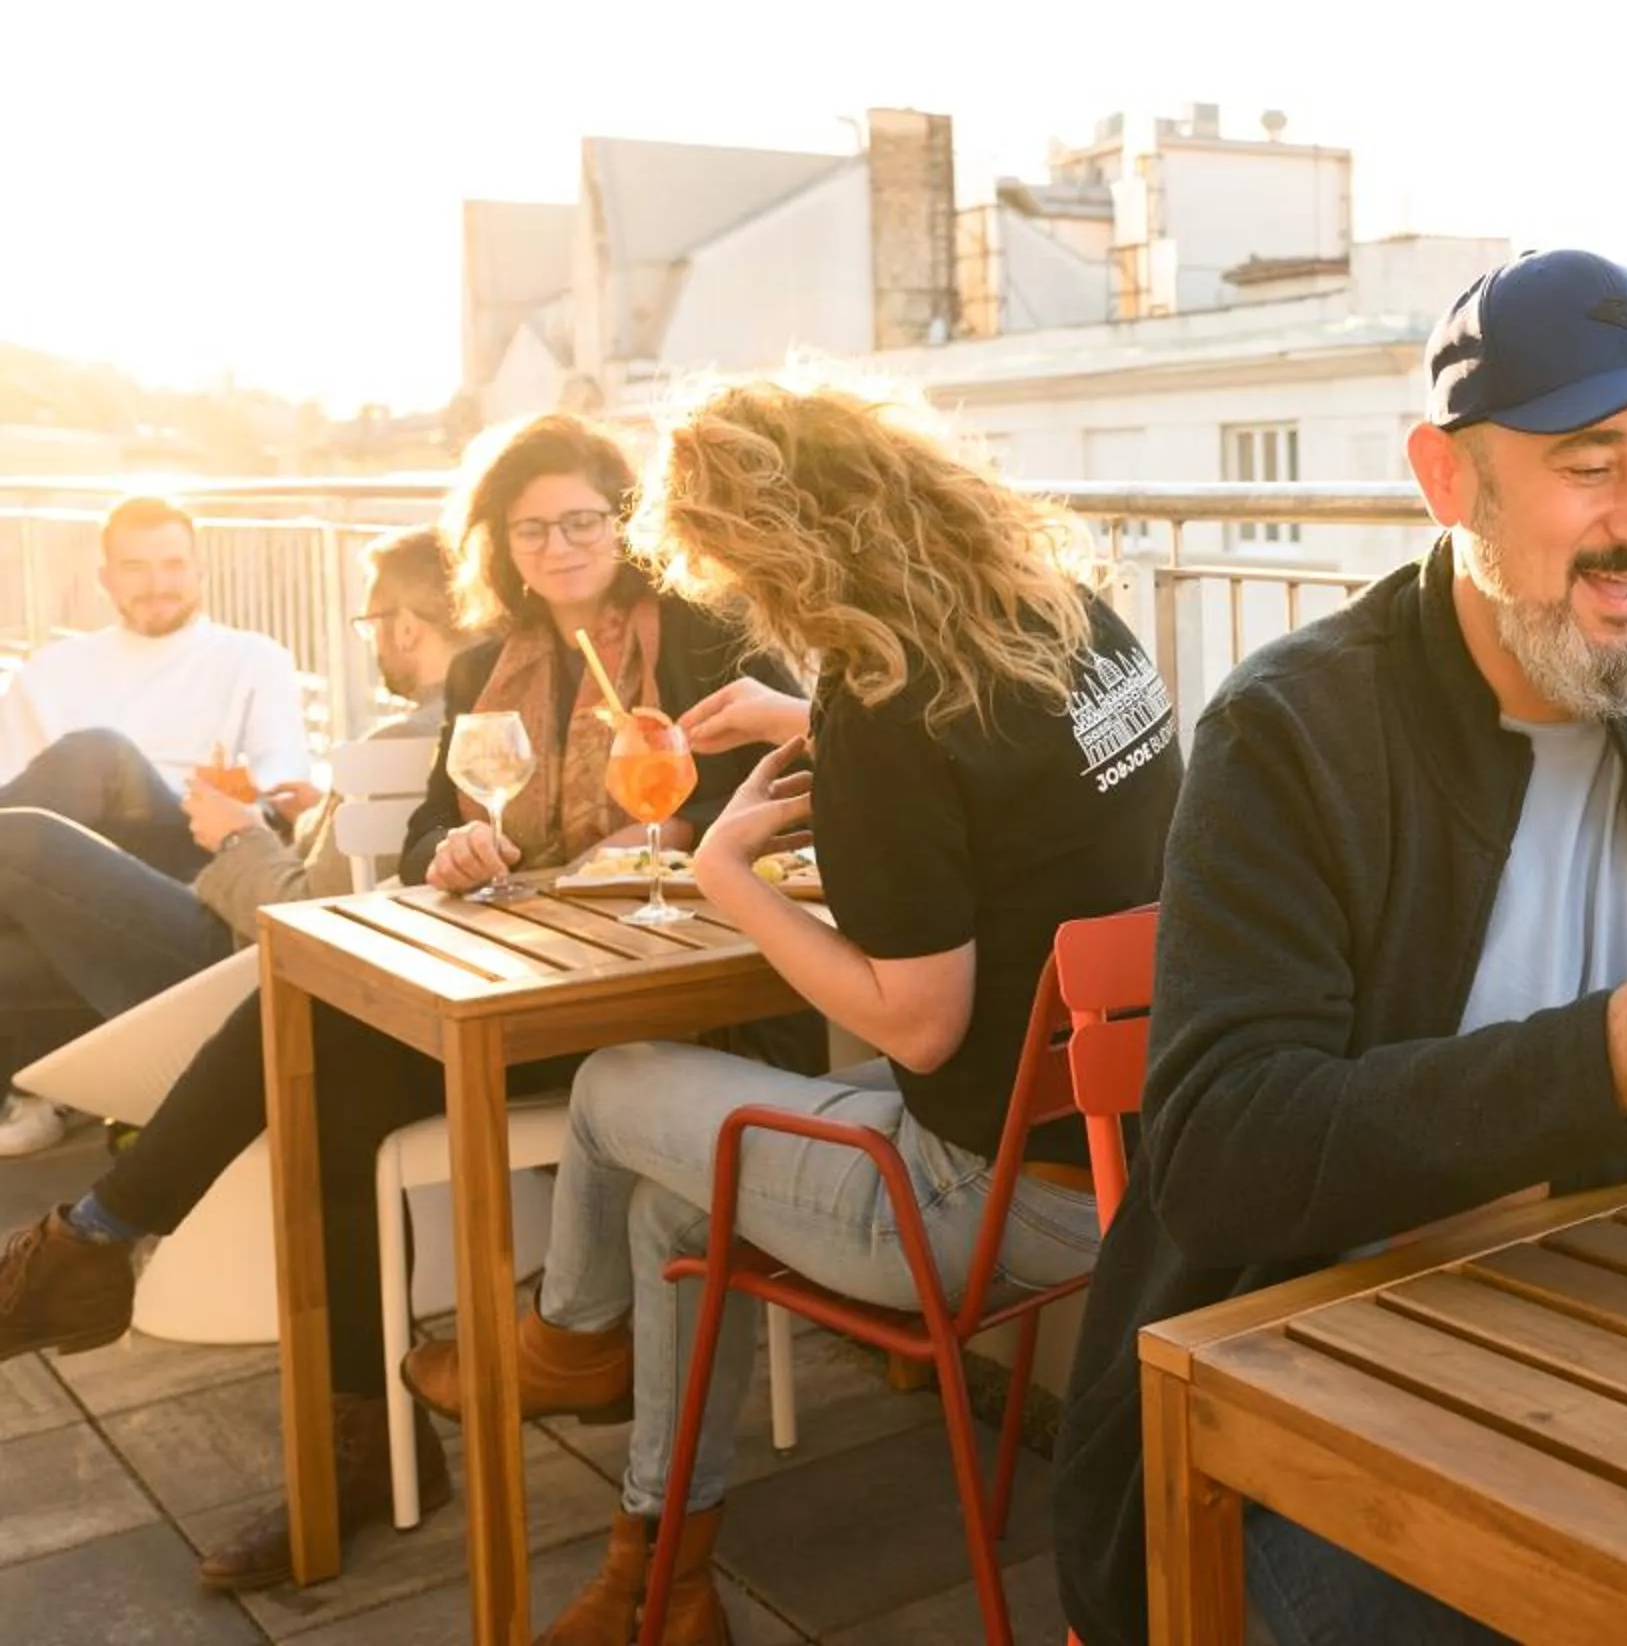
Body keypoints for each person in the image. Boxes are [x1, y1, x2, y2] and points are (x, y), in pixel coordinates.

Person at [1053, 250, 1627, 1646]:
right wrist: (1608, 1063)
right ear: (1447, 480)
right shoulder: (1294, 732)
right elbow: (1222, 1152)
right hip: (1314, 1388)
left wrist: (1592, 1147)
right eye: (1590, 466)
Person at [398, 380, 1181, 1646]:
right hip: (1135, 1148)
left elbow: (917, 1025)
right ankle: (662, 1580)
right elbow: (995, 765)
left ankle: (564, 1345)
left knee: (612, 1082)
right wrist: (812, 721)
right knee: (670, 1198)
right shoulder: (1069, 623)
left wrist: (726, 882)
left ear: (785, 550)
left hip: (987, 1196)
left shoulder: (888, 706)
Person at [0, 412, 822, 1595]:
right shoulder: (491, 663)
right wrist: (454, 847)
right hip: (538, 980)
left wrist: (689, 828)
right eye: (530, 527)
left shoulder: (704, 633)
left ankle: (92, 1242)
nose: (558, 544)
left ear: (623, 520)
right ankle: (357, 1453)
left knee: (302, 1029)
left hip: (683, 993)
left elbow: (794, 787)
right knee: (311, 1057)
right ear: (501, 542)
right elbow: (444, 816)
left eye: (582, 518)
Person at [0, 526, 471, 1157]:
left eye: (372, 623)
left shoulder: (396, 746)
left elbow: (314, 923)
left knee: (21, 843)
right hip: (246, 919)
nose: (373, 641)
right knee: (101, 756)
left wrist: (241, 833)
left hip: (241, 965)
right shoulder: (466, 732)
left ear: (407, 628)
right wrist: (308, 820)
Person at [0, 495, 308, 877]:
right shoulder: (49, 670)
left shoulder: (253, 658)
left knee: (100, 756)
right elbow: (11, 792)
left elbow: (284, 779)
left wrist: (240, 796)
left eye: (174, 565)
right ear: (106, 579)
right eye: (135, 568)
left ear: (200, 571)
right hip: (74, 861)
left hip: (191, 851)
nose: (157, 585)